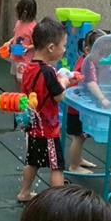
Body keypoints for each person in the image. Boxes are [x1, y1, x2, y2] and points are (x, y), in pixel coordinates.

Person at [18, 18, 69, 202]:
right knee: (57, 166)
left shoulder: (29, 67)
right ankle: (58, 201)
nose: (65, 49)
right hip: (48, 129)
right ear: (51, 47)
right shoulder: (48, 71)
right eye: (63, 45)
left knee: (32, 161)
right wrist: (64, 81)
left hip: (33, 125)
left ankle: (24, 192)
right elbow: (59, 96)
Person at [66, 28, 108, 175]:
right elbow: (91, 83)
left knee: (82, 137)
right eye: (101, 53)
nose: (104, 56)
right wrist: (102, 98)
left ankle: (78, 159)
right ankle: (74, 166)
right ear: (88, 50)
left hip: (80, 107)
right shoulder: (88, 63)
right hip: (77, 109)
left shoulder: (87, 60)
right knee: (79, 137)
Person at [5, 0, 38, 83]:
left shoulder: (33, 27)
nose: (17, 15)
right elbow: (16, 36)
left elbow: (37, 44)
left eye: (18, 12)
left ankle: (22, 92)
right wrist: (9, 42)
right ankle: (17, 92)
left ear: (24, 13)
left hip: (25, 60)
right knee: (15, 78)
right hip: (15, 56)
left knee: (23, 80)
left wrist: (27, 48)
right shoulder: (19, 23)